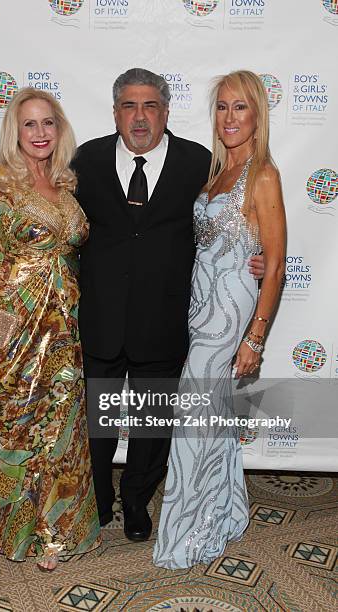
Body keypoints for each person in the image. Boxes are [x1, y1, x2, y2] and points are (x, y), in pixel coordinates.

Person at [72, 68, 265, 542]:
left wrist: (252, 258)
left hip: (165, 319)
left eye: (150, 106)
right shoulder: (86, 159)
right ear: (115, 112)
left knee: (152, 427)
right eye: (130, 107)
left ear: (165, 111)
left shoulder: (197, 162)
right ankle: (97, 503)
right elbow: (64, 230)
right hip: (99, 317)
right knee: (96, 423)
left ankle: (136, 500)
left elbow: (227, 221)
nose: (140, 118)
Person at [0, 87, 101, 571]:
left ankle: (56, 533)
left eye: (48, 123)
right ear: (15, 130)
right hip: (16, 329)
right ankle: (12, 525)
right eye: (29, 124)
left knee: (63, 428)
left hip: (64, 329)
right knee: (18, 430)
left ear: (60, 128)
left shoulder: (65, 182)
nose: (39, 133)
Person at [153, 70, 286, 569]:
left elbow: (273, 263)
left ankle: (188, 532)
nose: (230, 117)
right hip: (199, 307)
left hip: (229, 314)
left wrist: (255, 336)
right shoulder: (216, 174)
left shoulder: (262, 174)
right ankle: (227, 512)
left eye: (241, 107)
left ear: (257, 116)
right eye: (223, 107)